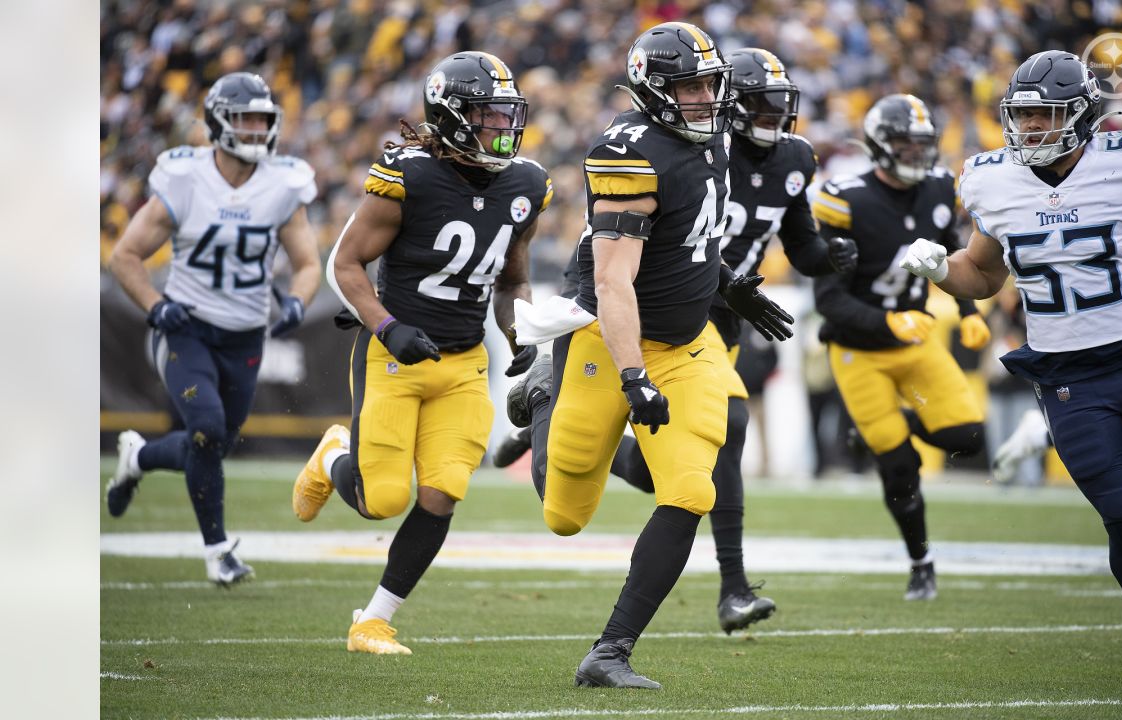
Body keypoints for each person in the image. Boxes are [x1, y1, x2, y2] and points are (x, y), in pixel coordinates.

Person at [492, 47, 856, 634]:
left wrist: (740, 284)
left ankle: (712, 598)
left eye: (713, 86)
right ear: (655, 90)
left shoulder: (733, 145)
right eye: (692, 88)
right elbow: (615, 275)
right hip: (616, 311)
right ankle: (545, 402)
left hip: (697, 318)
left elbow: (700, 237)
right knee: (563, 513)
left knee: (703, 464)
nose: (710, 100)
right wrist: (633, 375)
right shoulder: (633, 150)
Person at [899, 50, 1122, 679]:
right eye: (1021, 116)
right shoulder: (992, 180)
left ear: (1081, 116)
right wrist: (941, 267)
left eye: (1043, 116)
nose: (1028, 129)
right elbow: (980, 274)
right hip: (1068, 384)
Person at [290, 51, 548, 655]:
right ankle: (333, 456)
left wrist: (518, 331)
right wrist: (385, 325)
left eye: (507, 115)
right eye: (488, 115)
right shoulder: (409, 178)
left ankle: (374, 620)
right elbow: (343, 263)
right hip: (394, 357)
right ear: (454, 118)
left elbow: (512, 280)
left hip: (462, 364)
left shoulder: (527, 184)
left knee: (441, 494)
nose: (502, 128)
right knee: (382, 500)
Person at [105, 72, 321, 586]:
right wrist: (157, 307)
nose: (255, 130)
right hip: (187, 327)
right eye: (245, 118)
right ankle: (218, 551)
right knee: (206, 428)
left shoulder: (282, 183)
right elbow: (126, 256)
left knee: (212, 446)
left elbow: (308, 263)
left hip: (245, 334)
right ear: (218, 122)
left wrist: (296, 302)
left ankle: (138, 457)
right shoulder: (185, 177)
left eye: (262, 120)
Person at [811, 94, 991, 602]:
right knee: (899, 467)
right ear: (879, 146)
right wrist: (889, 321)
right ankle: (921, 562)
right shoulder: (845, 198)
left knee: (967, 437)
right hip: (858, 349)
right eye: (906, 144)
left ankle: (888, 430)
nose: (917, 154)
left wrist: (972, 311)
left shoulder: (938, 187)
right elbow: (828, 300)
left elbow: (947, 257)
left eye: (924, 144)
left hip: (916, 339)